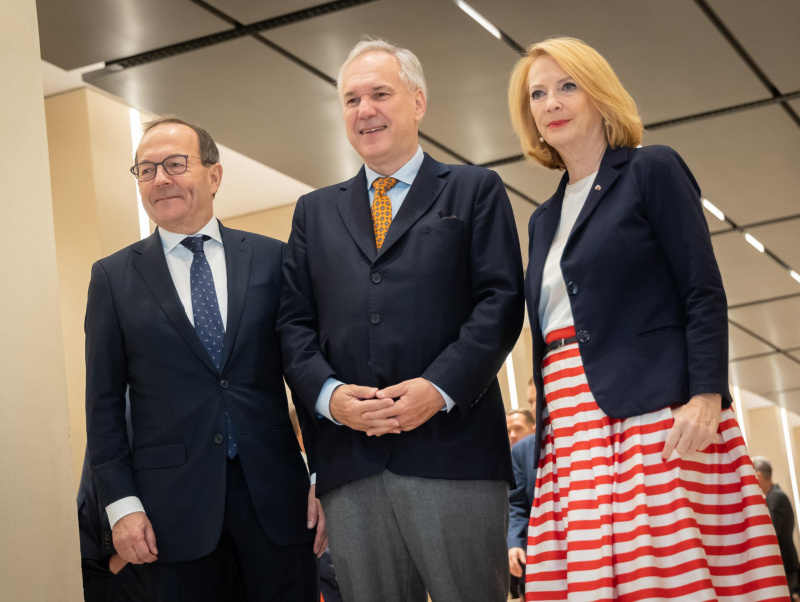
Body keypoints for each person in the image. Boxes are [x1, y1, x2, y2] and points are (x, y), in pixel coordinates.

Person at [507, 37, 788, 600]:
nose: (551, 102)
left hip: (652, 407)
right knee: (593, 575)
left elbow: (702, 290)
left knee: (664, 570)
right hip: (569, 419)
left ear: (600, 95)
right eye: (537, 94)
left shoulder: (651, 169)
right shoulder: (542, 218)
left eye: (567, 86)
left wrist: (706, 395)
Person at [278, 39, 524, 602]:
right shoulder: (313, 212)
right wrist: (330, 398)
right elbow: (293, 325)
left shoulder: (474, 189)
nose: (364, 110)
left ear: (418, 102)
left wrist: (437, 390)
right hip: (351, 465)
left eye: (380, 94)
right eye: (351, 99)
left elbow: (501, 301)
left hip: (455, 455)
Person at [84, 117, 325, 602]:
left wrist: (323, 476)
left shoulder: (273, 259)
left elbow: (305, 375)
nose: (160, 179)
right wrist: (121, 506)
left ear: (214, 176)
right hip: (171, 514)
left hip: (279, 499)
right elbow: (103, 405)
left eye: (175, 164)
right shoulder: (112, 277)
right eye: (146, 169)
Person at [506, 384, 537, 600]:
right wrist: (514, 543)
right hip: (535, 549)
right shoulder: (519, 452)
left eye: (517, 428)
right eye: (531, 402)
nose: (512, 435)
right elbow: (517, 505)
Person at [754, 457, 800, 598]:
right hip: (785, 565)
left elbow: (770, 531)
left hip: (785, 566)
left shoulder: (776, 497)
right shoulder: (774, 496)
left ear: (758, 475)